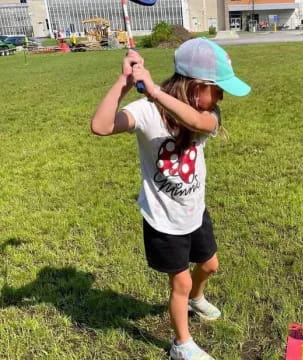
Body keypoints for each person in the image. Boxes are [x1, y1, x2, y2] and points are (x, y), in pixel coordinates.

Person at [90, 38, 251, 360]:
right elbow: (101, 126)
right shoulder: (146, 112)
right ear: (195, 86)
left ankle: (196, 298)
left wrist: (156, 92)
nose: (220, 97)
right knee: (178, 283)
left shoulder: (208, 114)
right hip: (163, 219)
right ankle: (182, 344)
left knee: (210, 265)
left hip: (195, 211)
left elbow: (195, 122)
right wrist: (123, 82)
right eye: (217, 89)